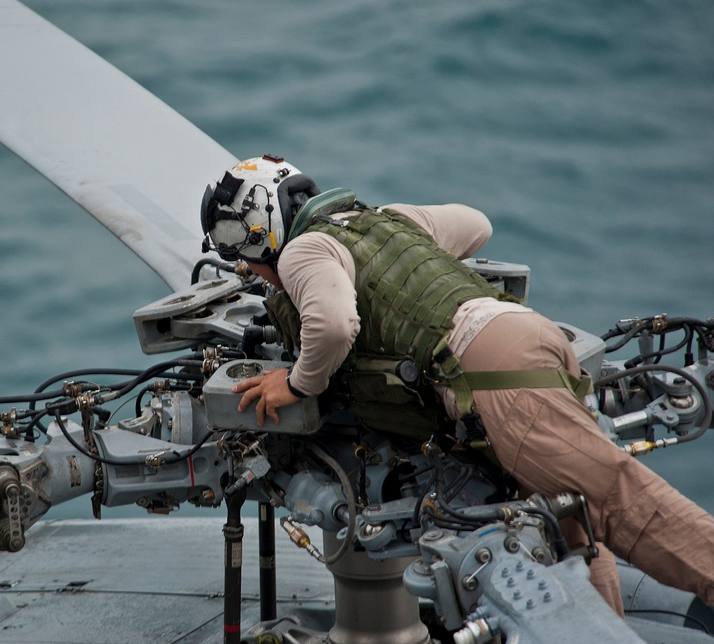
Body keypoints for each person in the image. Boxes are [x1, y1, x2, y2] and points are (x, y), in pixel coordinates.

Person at [199, 154, 714, 614]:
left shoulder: (301, 253)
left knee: (622, 503)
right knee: (569, 535)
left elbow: (333, 326)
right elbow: (476, 225)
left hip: (496, 376)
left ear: (258, 231)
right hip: (527, 336)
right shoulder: (386, 220)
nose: (244, 265)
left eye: (235, 247)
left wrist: (296, 383)